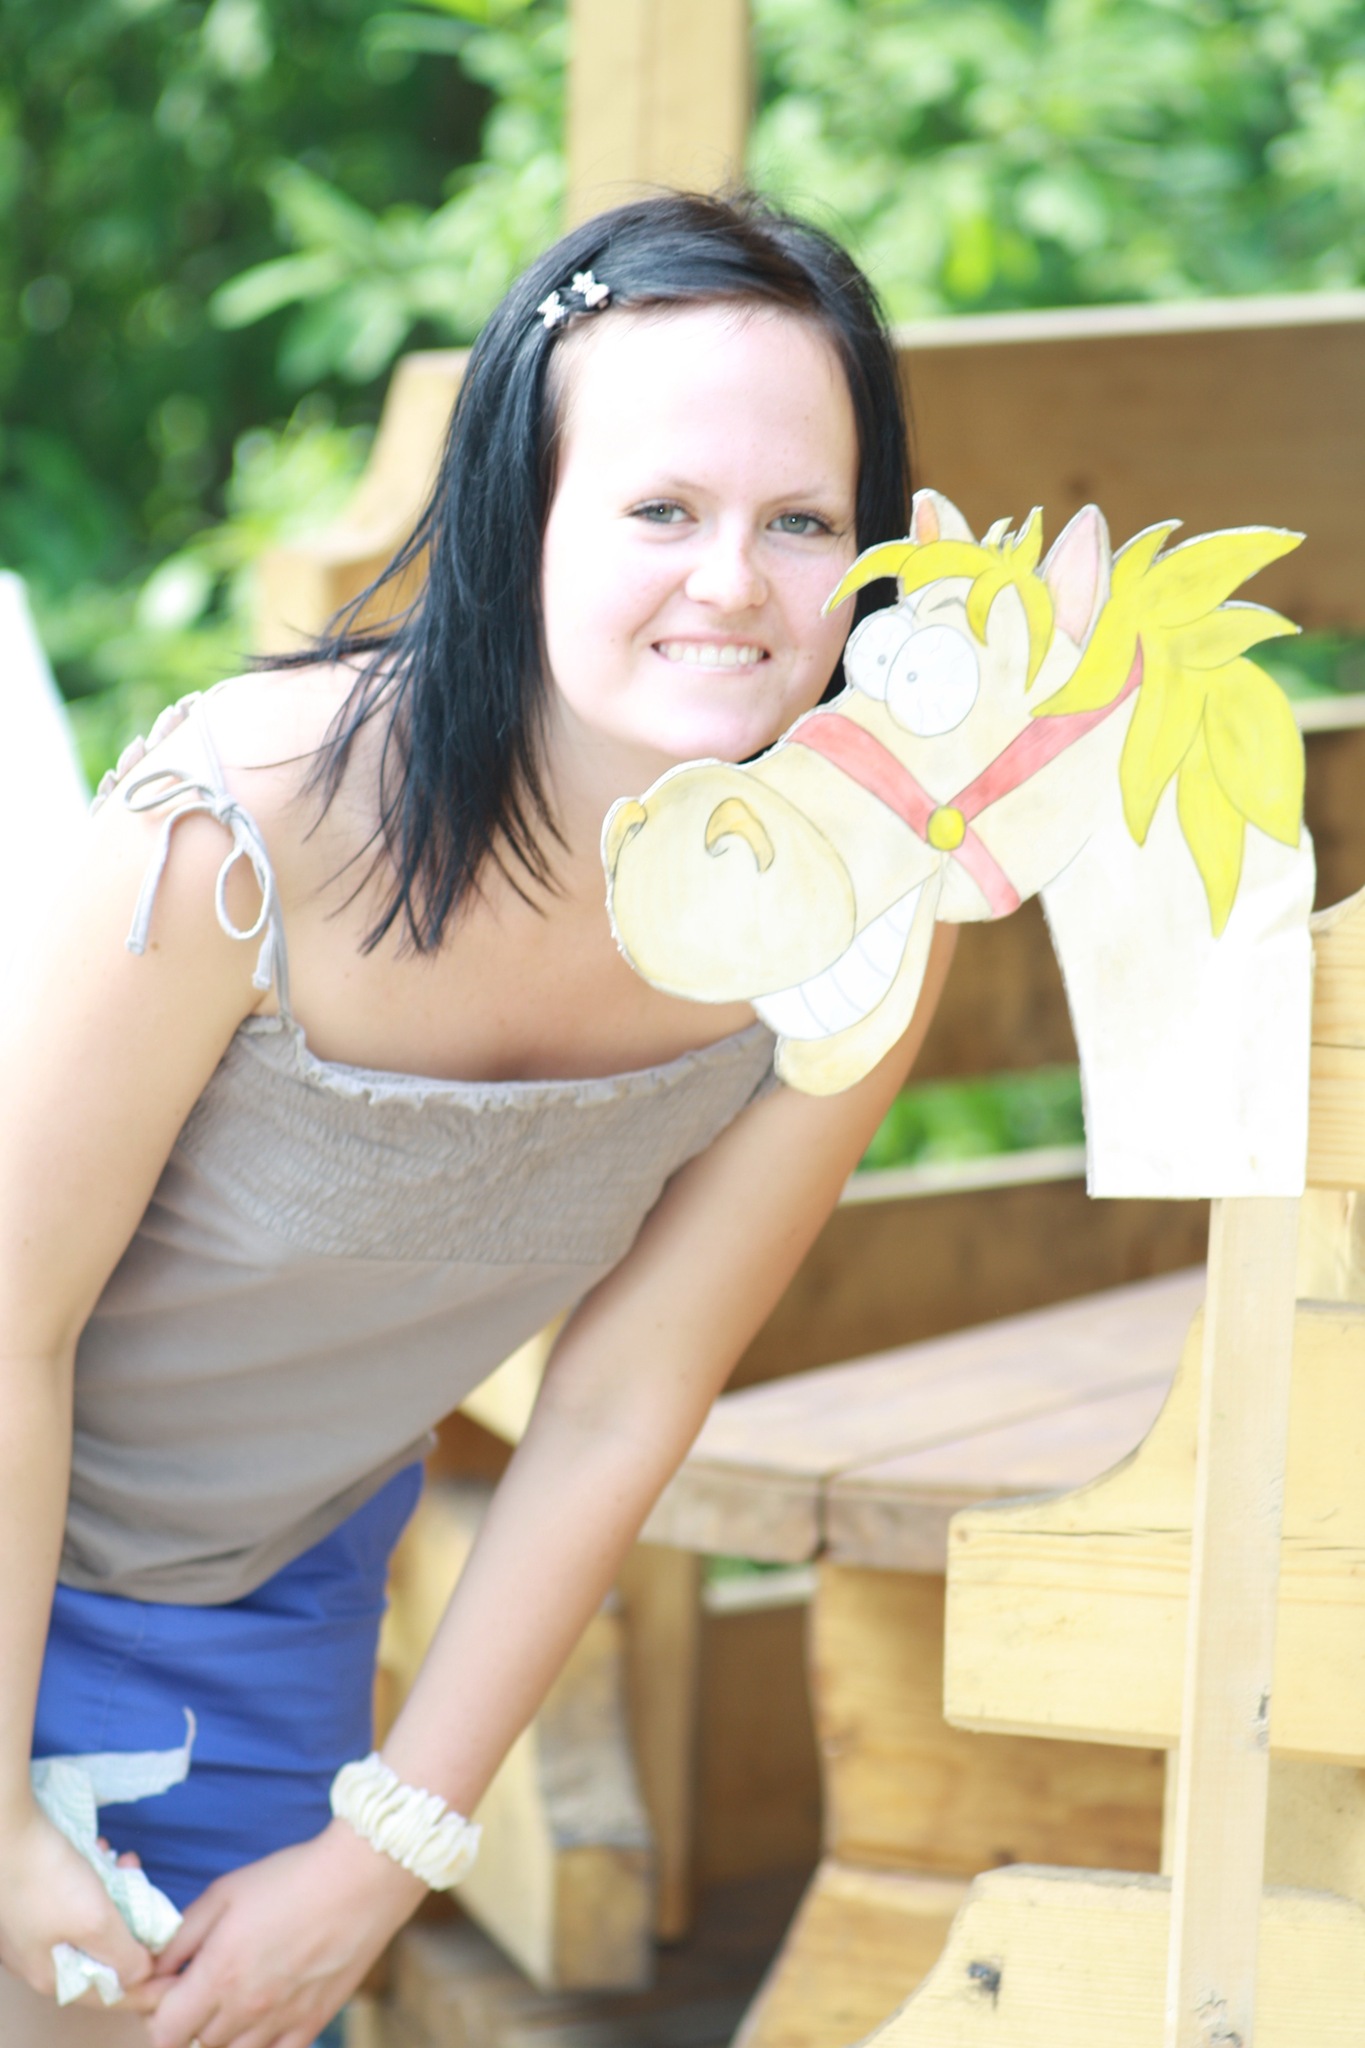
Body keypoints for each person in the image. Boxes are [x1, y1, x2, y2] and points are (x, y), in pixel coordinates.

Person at [0, 190, 952, 2048]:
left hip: (260, 1598)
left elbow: (620, 1401)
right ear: (523, 513)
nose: (732, 582)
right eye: (660, 509)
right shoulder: (243, 829)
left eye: (801, 521)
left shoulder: (854, 924)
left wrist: (385, 1853)